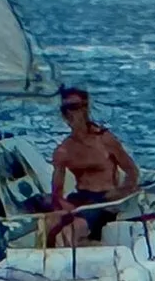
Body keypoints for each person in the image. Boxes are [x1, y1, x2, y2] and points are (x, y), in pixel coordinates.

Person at [42, 85, 140, 246]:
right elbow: (57, 191)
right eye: (65, 109)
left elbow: (132, 171)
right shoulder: (63, 151)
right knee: (50, 223)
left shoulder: (105, 140)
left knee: (72, 230)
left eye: (73, 107)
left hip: (105, 201)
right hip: (80, 199)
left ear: (85, 109)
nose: (69, 114)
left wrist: (120, 193)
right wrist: (61, 204)